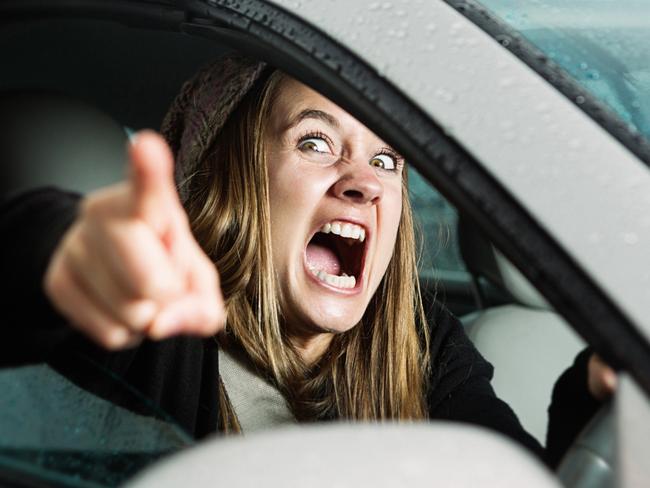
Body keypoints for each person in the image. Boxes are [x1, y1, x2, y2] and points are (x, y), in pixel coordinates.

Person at [1, 54, 613, 465]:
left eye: (386, 160)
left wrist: (588, 401)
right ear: (231, 181)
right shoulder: (152, 330)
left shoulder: (423, 346)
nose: (364, 183)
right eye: (315, 142)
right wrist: (66, 251)